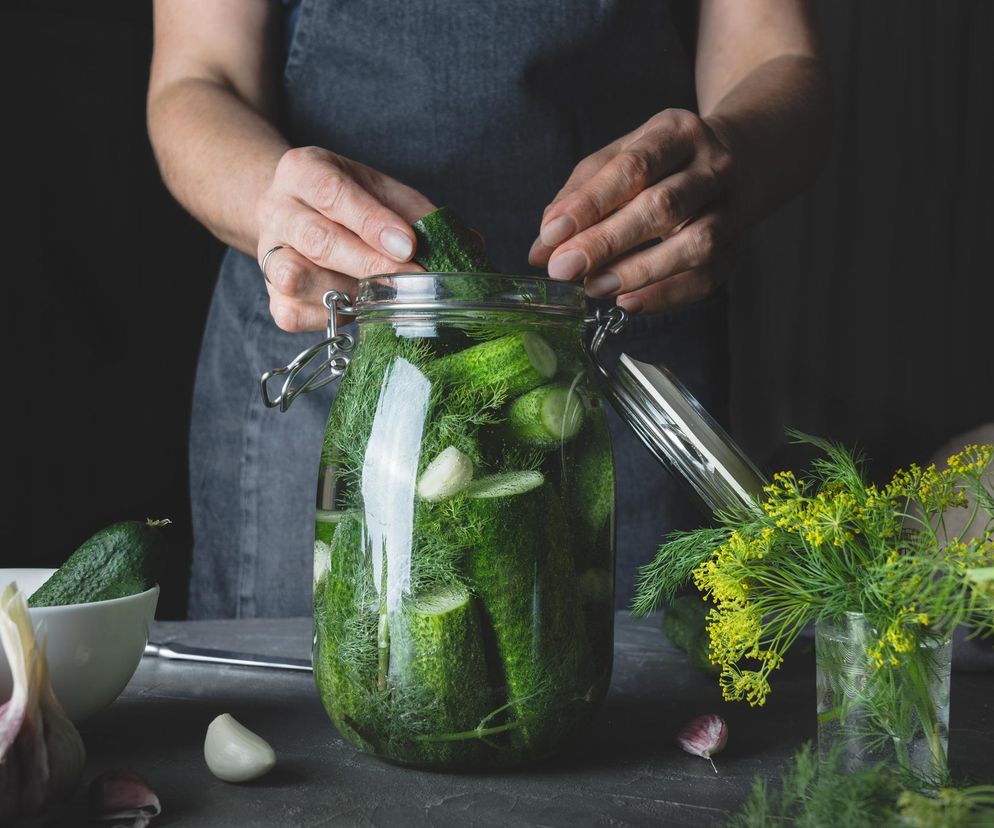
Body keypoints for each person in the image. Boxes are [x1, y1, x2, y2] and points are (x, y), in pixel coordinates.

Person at [147, 0, 831, 619]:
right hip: (342, 352)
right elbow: (197, 79)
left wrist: (732, 158)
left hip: (613, 364)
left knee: (632, 721)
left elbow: (778, 55)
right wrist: (279, 203)